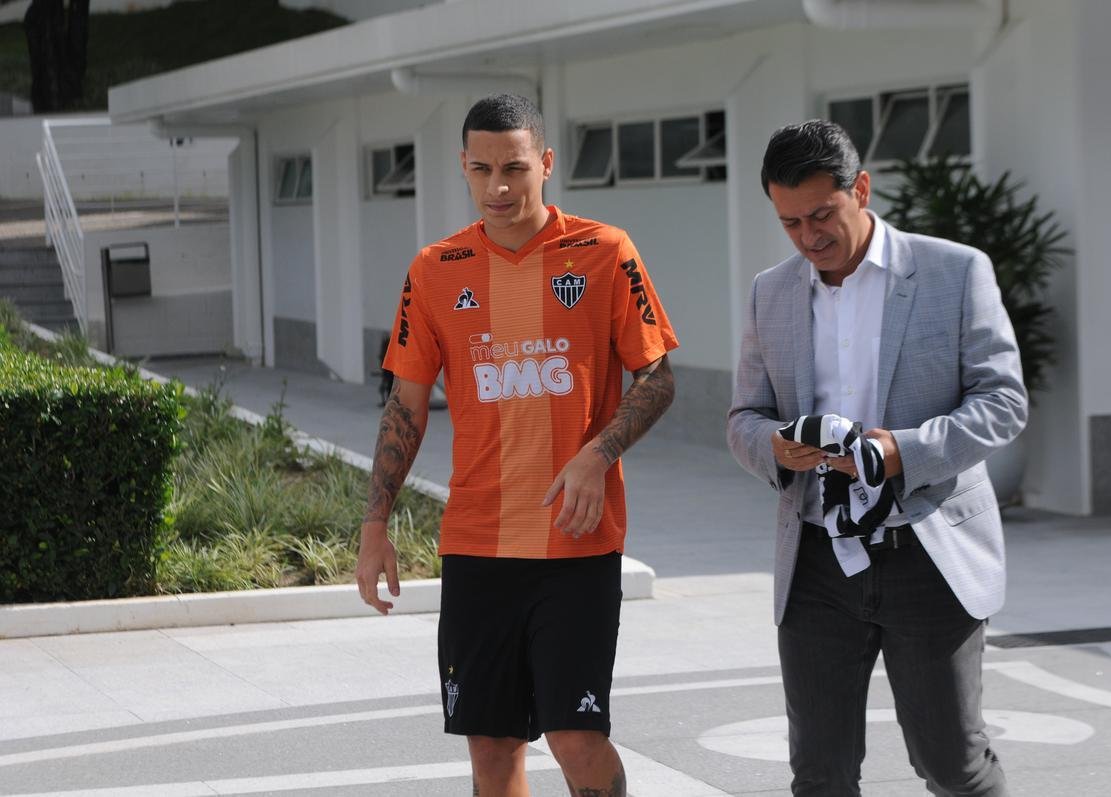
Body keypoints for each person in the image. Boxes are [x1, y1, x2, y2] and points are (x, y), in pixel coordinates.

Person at [356, 93, 677, 797]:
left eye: (515, 168)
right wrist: (375, 522)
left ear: (546, 164)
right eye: (482, 170)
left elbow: (657, 378)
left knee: (577, 738)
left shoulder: (605, 252)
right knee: (493, 751)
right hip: (477, 547)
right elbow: (404, 407)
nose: (499, 186)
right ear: (463, 170)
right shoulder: (435, 269)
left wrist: (598, 453)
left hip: (577, 544)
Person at [726, 120, 1027, 796]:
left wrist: (904, 451)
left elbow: (1003, 402)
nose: (809, 237)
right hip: (815, 558)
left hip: (928, 548)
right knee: (820, 772)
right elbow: (743, 416)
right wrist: (776, 446)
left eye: (822, 215)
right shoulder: (770, 292)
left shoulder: (954, 271)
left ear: (860, 189)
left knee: (952, 763)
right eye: (790, 222)